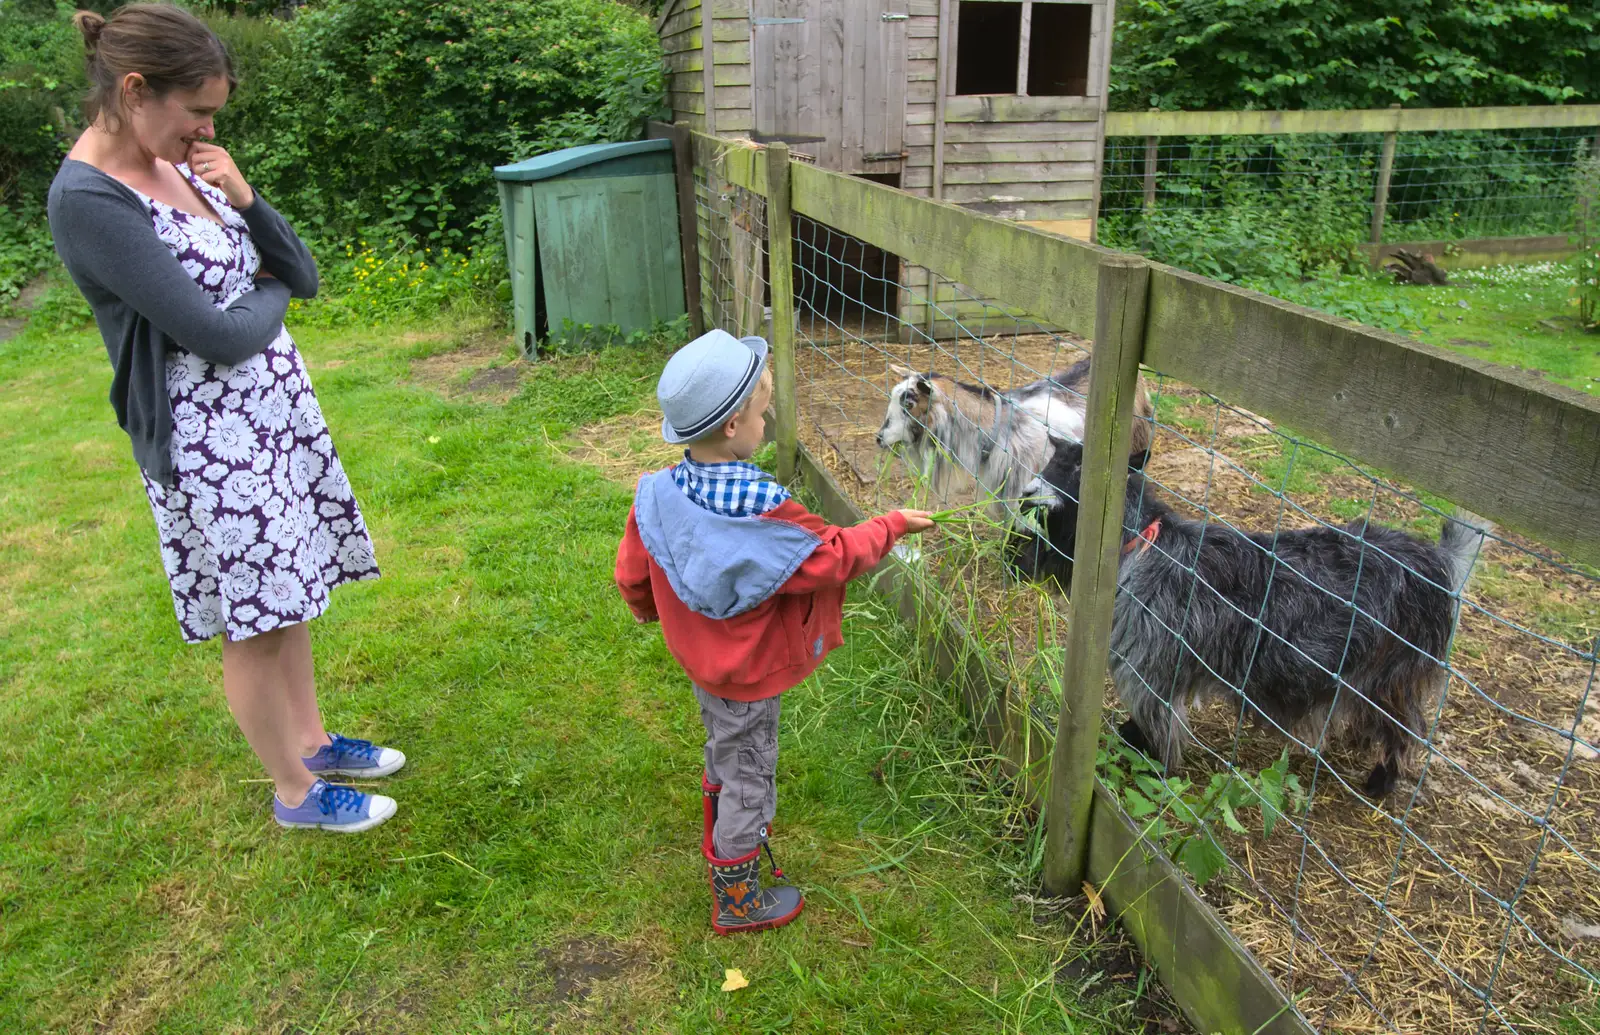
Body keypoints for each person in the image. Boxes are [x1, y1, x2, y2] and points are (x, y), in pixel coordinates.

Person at [47, 4, 402, 833]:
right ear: (136, 89)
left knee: (292, 596)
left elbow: (299, 272)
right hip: (208, 444)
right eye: (197, 110)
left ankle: (311, 740)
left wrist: (244, 196)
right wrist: (270, 294)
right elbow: (218, 332)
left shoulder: (184, 162)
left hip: (270, 418)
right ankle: (295, 794)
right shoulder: (90, 201)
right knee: (257, 619)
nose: (207, 128)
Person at [615, 328, 934, 934]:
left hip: (706, 664)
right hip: (751, 675)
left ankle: (719, 811)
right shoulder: (765, 511)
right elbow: (833, 554)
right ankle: (737, 898)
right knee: (750, 778)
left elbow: (633, 571)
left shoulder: (659, 494)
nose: (772, 418)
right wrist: (891, 525)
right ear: (734, 426)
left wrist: (647, 607)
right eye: (766, 409)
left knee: (726, 747)